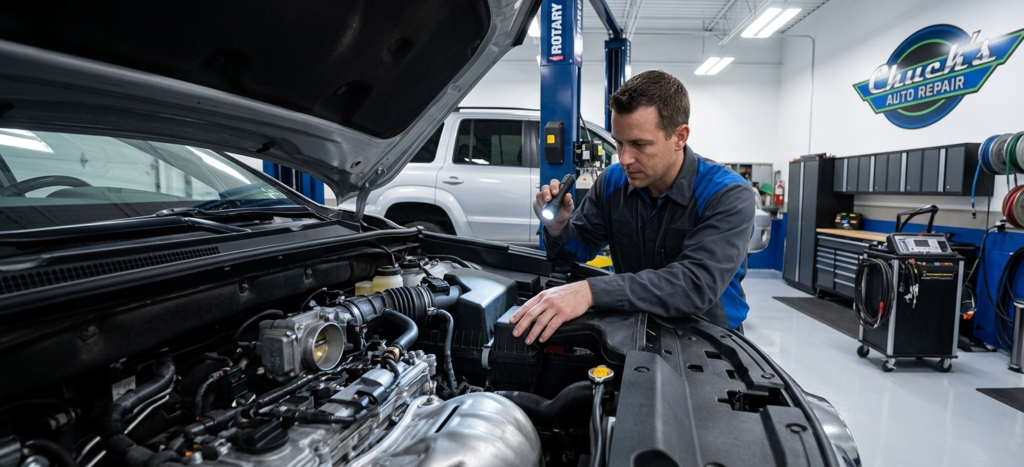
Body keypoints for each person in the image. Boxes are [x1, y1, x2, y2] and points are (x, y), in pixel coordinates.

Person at [510, 70, 754, 345]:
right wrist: (558, 228)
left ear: (679, 137)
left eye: (639, 144)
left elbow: (695, 285)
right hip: (637, 329)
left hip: (708, 339)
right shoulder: (613, 182)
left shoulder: (726, 194)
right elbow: (577, 251)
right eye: (619, 142)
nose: (624, 158)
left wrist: (590, 292)